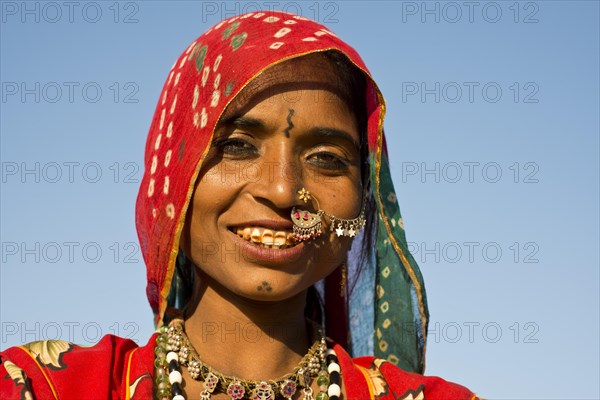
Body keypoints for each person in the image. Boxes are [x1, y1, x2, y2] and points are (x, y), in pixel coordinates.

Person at [0, 11, 480, 400]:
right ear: (173, 176)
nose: (281, 190)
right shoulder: (47, 387)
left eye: (327, 159)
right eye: (237, 147)